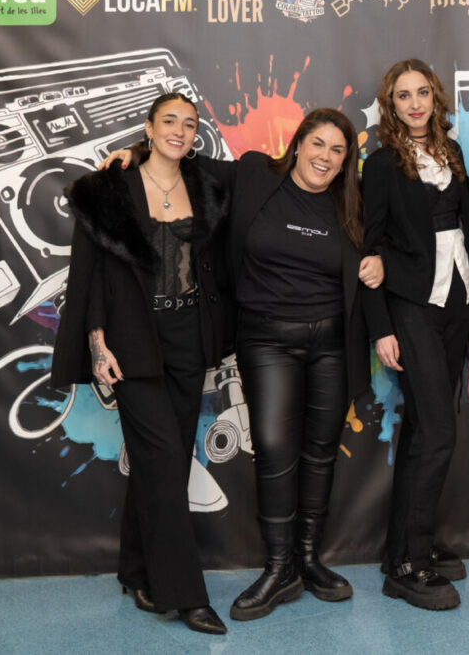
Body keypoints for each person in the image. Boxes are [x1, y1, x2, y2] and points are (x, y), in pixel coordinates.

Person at [104, 108, 379, 622]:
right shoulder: (255, 173)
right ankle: (278, 570)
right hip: (267, 339)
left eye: (337, 150)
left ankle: (307, 560)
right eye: (317, 144)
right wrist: (135, 154)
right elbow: (182, 160)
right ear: (297, 145)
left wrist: (381, 258)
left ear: (347, 161)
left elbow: (396, 238)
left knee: (319, 451)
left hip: (334, 344)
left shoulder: (356, 201)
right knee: (274, 448)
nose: (325, 156)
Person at [51, 93, 231, 635]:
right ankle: (186, 594)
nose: (179, 130)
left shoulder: (206, 181)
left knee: (168, 465)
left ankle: (135, 569)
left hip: (189, 337)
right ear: (148, 127)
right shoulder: (110, 188)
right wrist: (98, 344)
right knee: (159, 460)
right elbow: (89, 273)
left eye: (189, 124)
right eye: (168, 121)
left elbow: (258, 170)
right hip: (132, 339)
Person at [362, 58, 469, 611]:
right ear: (391, 104)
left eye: (422, 92)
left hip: (457, 300)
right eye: (403, 95)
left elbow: (464, 220)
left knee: (421, 433)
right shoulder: (381, 164)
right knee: (439, 430)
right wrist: (381, 326)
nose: (414, 103)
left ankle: (404, 547)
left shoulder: (451, 153)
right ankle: (409, 567)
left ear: (435, 97)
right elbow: (370, 247)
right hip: (410, 304)